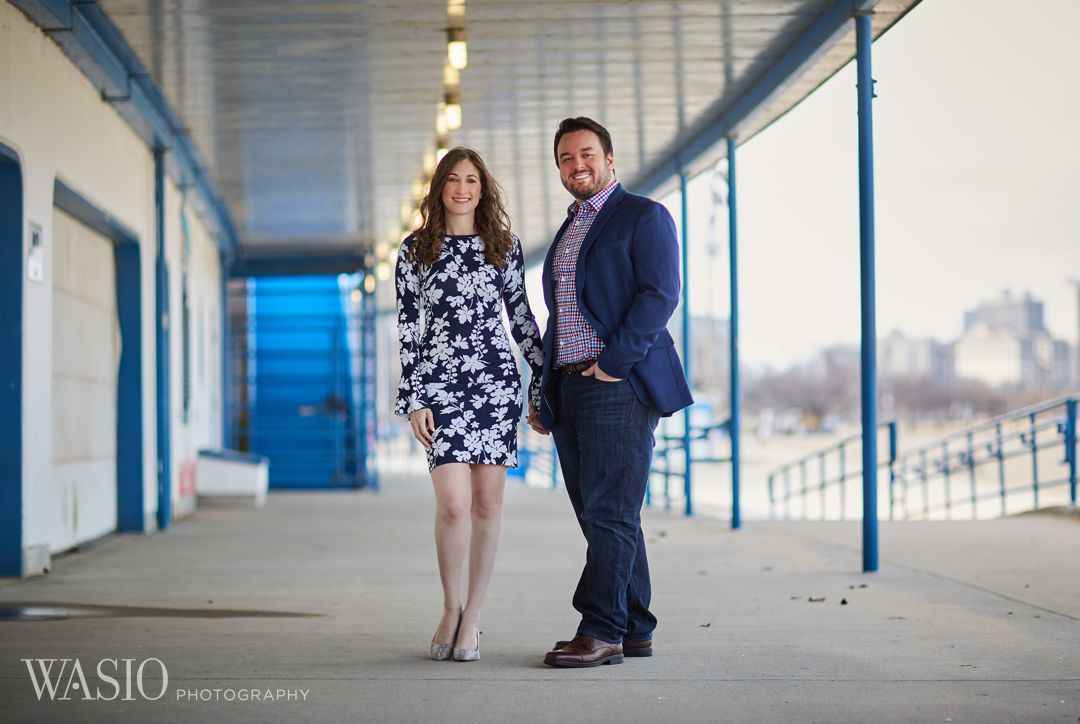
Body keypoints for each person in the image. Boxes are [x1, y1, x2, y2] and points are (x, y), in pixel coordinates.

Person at [527, 117, 693, 668]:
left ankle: (600, 630)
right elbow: (562, 316)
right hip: (569, 387)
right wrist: (543, 386)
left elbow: (660, 295)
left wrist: (612, 365)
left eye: (587, 154)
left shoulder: (643, 216)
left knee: (611, 514)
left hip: (616, 386)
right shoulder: (570, 228)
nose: (578, 165)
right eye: (567, 158)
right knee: (601, 513)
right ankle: (635, 626)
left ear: (610, 158)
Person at [394, 147, 544, 662]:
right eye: (453, 179)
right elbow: (409, 329)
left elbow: (521, 317)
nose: (462, 188)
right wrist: (414, 398)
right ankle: (450, 606)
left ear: (484, 189)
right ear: (439, 188)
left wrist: (542, 376)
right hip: (441, 388)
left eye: (472, 180)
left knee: (486, 505)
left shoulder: (504, 245)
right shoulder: (416, 250)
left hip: (495, 386)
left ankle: (473, 617)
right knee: (453, 505)